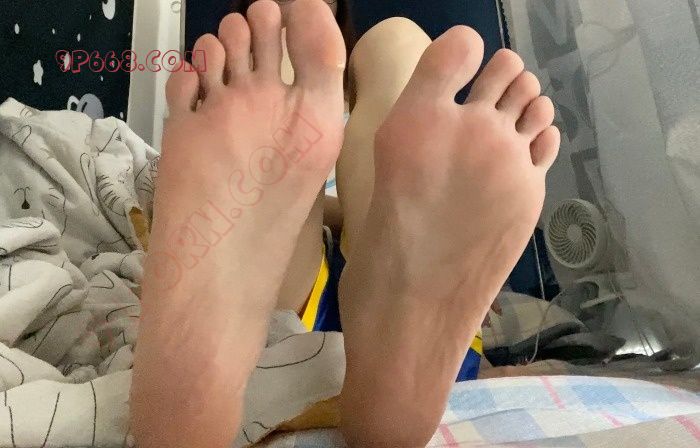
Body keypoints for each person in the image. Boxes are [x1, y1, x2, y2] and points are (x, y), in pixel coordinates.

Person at [130, 0, 560, 446]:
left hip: (311, 307)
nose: (308, 6)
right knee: (380, 47)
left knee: (394, 42)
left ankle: (394, 290)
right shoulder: (247, 114)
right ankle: (389, 365)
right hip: (315, 289)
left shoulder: (246, 104)